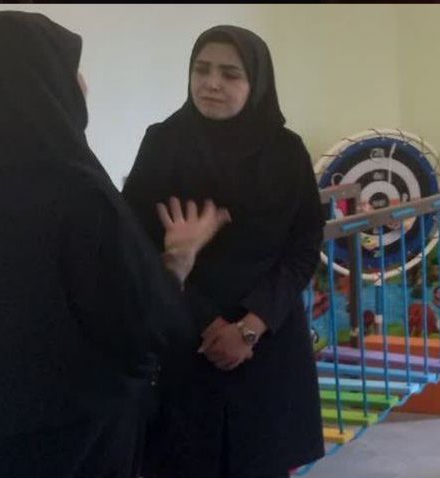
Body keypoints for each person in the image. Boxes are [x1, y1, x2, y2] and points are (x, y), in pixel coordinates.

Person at [0, 11, 226, 478]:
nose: (83, 83)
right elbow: (142, 324)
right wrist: (179, 258)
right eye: (70, 68)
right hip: (79, 434)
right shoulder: (75, 192)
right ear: (35, 83)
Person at [121, 25, 326, 478]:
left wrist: (250, 327)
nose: (211, 83)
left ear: (256, 83)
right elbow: (136, 243)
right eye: (202, 70)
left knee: (261, 461)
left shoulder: (285, 151)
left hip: (268, 340)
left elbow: (304, 245)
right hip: (186, 342)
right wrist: (209, 323)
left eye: (230, 74)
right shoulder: (163, 143)